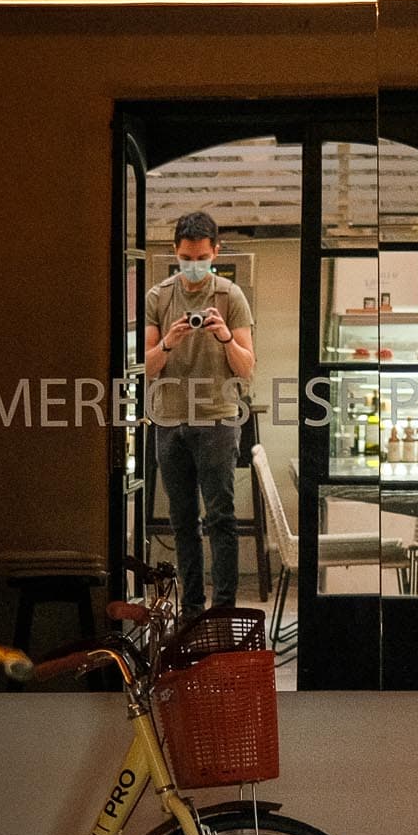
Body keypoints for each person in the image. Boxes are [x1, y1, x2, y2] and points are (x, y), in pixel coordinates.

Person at [144, 211, 256, 617]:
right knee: (182, 521)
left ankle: (223, 610)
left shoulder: (230, 296)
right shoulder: (158, 297)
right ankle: (191, 611)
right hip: (170, 420)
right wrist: (170, 341)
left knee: (221, 518)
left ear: (216, 253)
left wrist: (224, 336)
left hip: (218, 419)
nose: (194, 265)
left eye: (203, 256)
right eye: (187, 257)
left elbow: (247, 368)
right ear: (175, 252)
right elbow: (147, 368)